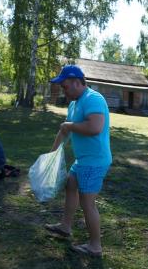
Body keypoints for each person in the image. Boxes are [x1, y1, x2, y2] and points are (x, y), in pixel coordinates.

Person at [45, 64, 112, 257]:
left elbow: (95, 127)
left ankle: (95, 246)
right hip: (83, 160)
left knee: (87, 203)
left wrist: (70, 126)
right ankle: (65, 227)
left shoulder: (93, 99)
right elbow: (65, 130)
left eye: (64, 86)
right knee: (71, 184)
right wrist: (51, 155)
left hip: (95, 161)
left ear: (76, 82)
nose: (63, 90)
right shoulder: (75, 103)